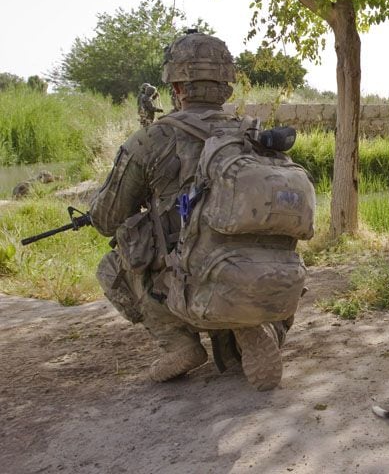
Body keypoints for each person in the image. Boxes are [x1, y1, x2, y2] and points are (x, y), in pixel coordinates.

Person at [90, 30, 297, 391]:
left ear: (177, 87)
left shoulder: (151, 140)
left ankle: (180, 344)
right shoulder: (256, 136)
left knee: (115, 261)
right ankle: (249, 327)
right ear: (226, 87)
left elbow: (107, 219)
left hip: (185, 275)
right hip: (261, 274)